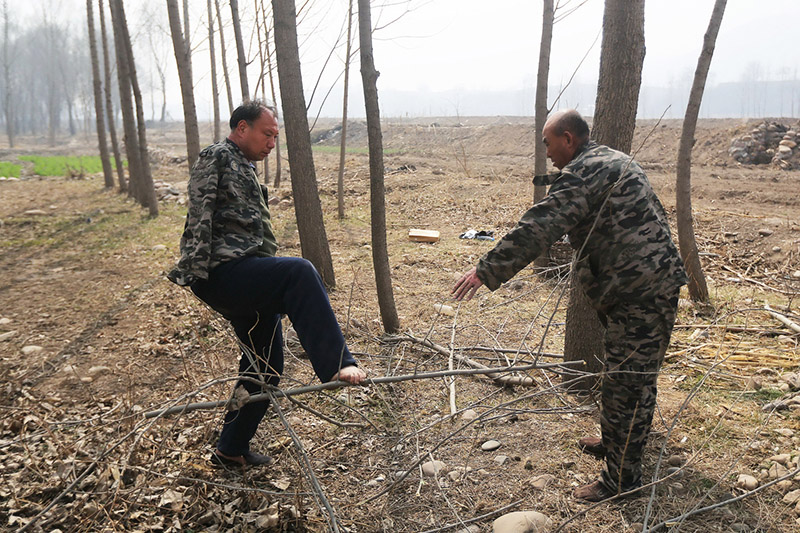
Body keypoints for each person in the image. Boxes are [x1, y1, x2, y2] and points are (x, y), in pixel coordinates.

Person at [452, 109, 687, 502]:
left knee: (627, 383)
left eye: (548, 143)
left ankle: (622, 481)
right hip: (642, 284)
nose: (547, 153)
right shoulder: (610, 158)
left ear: (568, 139)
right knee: (626, 375)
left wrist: (485, 271)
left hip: (640, 290)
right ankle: (616, 443)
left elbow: (540, 226)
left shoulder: (584, 172)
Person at [168, 100, 366, 468]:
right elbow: (200, 214)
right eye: (267, 133)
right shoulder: (217, 157)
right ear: (241, 128)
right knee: (299, 271)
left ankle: (230, 449)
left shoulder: (244, 167)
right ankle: (337, 362)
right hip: (222, 273)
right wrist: (194, 272)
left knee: (265, 366)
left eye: (276, 136)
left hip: (248, 274)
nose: (272, 142)